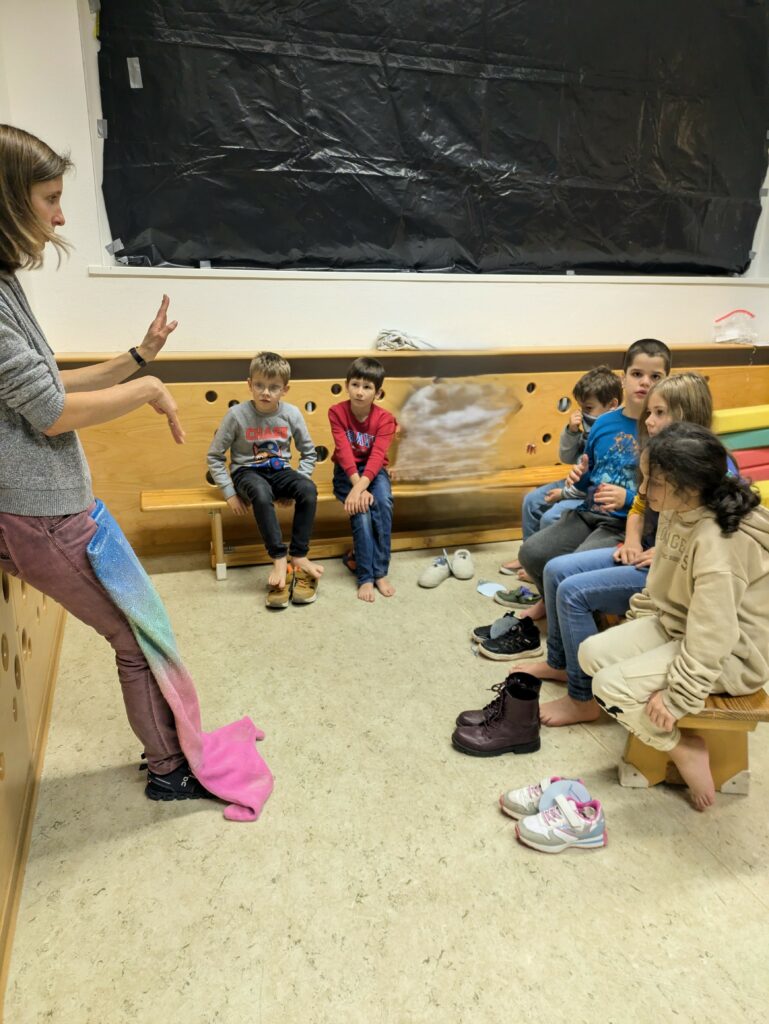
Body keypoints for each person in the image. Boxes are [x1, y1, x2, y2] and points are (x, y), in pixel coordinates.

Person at [0, 123, 206, 800]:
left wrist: (138, 357)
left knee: (148, 632)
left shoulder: (5, 283)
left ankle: (174, 750)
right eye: (50, 198)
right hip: (41, 518)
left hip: (59, 507)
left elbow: (44, 385)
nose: (60, 216)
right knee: (138, 640)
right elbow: (52, 413)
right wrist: (142, 389)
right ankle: (171, 770)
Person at [578, 422, 769, 811]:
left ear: (692, 486)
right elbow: (660, 581)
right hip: (680, 626)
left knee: (609, 687)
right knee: (590, 655)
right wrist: (639, 623)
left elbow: (715, 633)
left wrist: (679, 695)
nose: (644, 491)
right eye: (644, 478)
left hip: (732, 655)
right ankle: (668, 733)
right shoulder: (677, 510)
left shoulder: (718, 543)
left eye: (655, 482)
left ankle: (684, 750)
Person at [522, 374, 714, 726]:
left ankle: (582, 699)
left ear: (688, 414)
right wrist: (632, 540)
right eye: (650, 413)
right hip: (647, 555)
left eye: (660, 413)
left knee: (572, 592)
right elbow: (640, 507)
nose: (650, 421)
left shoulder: (711, 467)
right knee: (555, 569)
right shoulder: (659, 454)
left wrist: (665, 552)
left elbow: (716, 536)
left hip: (673, 572)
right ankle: (560, 662)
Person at [512, 338, 671, 624]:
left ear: (666, 381)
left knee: (571, 569)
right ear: (624, 379)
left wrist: (627, 498)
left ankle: (579, 619)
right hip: (588, 512)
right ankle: (550, 602)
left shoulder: (661, 427)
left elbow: (667, 496)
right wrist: (575, 480)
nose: (645, 382)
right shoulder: (604, 423)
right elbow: (590, 474)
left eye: (655, 376)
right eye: (637, 374)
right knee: (531, 553)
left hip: (625, 523)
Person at [207, 351, 323, 608]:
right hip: (247, 472)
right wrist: (229, 492)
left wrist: (294, 485)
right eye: (259, 385)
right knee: (260, 492)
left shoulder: (291, 414)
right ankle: (279, 558)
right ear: (249, 384)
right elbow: (215, 456)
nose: (265, 392)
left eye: (273, 387)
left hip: (280, 470)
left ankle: (300, 555)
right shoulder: (236, 415)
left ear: (285, 389)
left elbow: (308, 452)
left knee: (307, 488)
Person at [500, 365, 623, 576]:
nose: (584, 413)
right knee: (532, 500)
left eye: (589, 408)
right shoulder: (587, 428)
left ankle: (543, 568)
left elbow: (595, 482)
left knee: (552, 515)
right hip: (573, 481)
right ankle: (528, 559)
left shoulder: (615, 434)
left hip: (588, 493)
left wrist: (564, 494)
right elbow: (567, 458)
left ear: (612, 405)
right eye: (581, 407)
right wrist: (571, 432)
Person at [328, 357, 398, 603]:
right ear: (347, 385)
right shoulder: (336, 412)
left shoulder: (386, 419)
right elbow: (345, 454)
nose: (359, 392)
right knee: (362, 511)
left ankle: (380, 572)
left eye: (367, 387)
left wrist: (361, 487)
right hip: (346, 473)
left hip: (373, 472)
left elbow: (378, 456)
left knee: (383, 502)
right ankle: (366, 576)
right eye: (355, 385)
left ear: (377, 393)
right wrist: (357, 489)